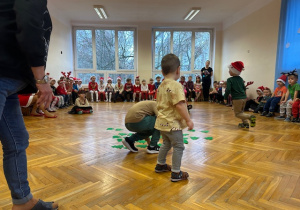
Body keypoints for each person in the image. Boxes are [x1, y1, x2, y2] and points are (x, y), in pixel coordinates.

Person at [0, 0, 58, 209]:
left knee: (16, 142)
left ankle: (23, 201)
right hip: (3, 75)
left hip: (9, 83)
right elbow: (29, 24)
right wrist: (42, 80)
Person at [154, 54, 194, 182]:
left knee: (166, 143)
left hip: (161, 122)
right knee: (178, 146)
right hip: (173, 124)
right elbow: (180, 105)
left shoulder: (161, 85)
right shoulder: (176, 85)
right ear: (178, 69)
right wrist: (188, 120)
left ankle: (160, 165)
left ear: (162, 71)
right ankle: (176, 172)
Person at [223, 61, 256, 129]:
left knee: (238, 114)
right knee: (241, 112)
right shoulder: (240, 79)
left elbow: (228, 89)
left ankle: (250, 117)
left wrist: (225, 97)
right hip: (244, 98)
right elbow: (244, 88)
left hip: (237, 98)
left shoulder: (230, 80)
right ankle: (245, 124)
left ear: (234, 71)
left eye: (230, 70)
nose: (229, 71)